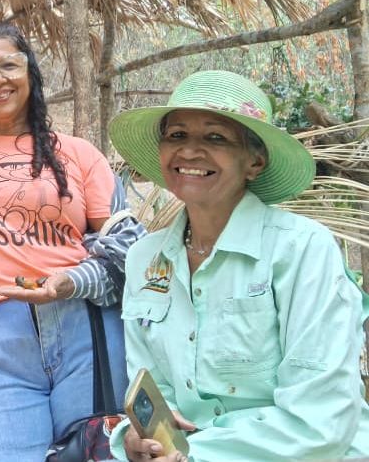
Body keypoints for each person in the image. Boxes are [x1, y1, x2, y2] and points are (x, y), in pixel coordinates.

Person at [107, 70, 369, 462]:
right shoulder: (145, 258)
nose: (189, 151)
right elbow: (153, 392)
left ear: (255, 162)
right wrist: (137, 438)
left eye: (215, 137)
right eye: (177, 135)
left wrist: (195, 453)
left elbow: (321, 419)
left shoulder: (300, 249)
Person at [0, 21, 129, 462]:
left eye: (9, 65)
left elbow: (126, 249)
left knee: (96, 455)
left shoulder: (79, 153)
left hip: (82, 326)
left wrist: (69, 282)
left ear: (29, 71)